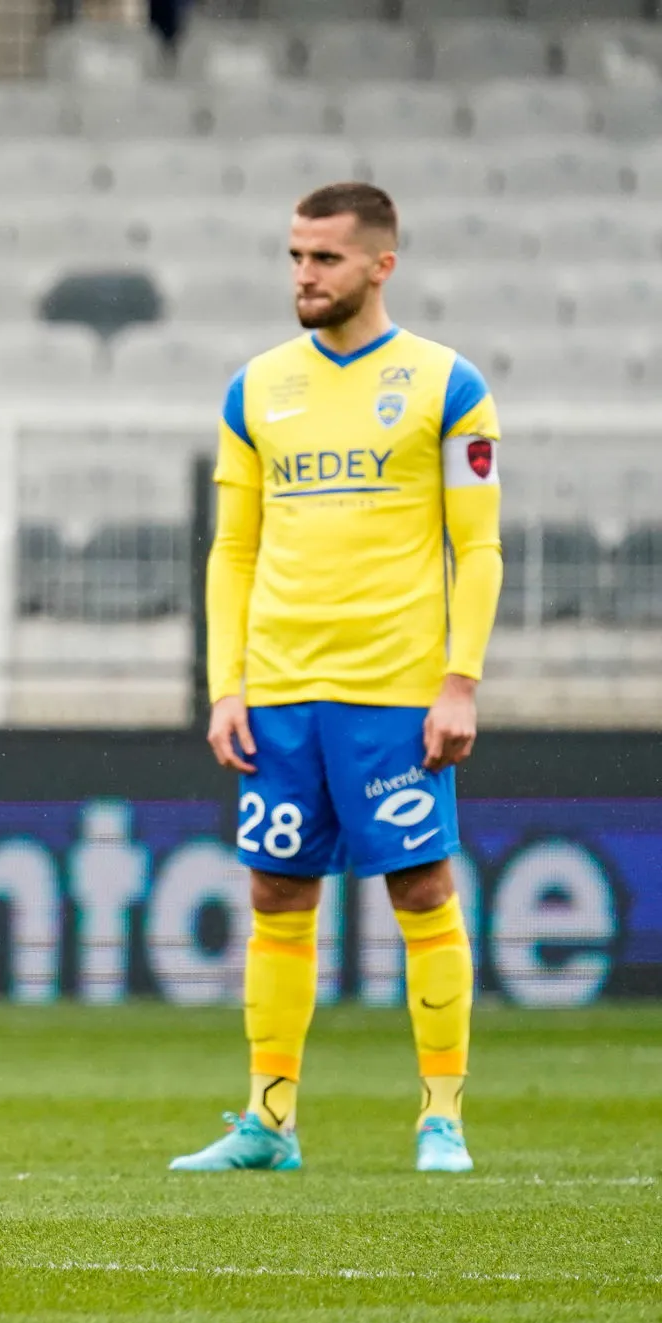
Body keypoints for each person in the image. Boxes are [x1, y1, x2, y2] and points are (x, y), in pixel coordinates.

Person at [171, 182, 501, 1175]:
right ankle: (267, 1120)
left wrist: (459, 680)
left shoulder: (446, 385)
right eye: (293, 257)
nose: (303, 276)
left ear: (378, 265)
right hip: (277, 690)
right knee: (275, 894)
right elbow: (231, 549)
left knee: (418, 887)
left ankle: (439, 1116)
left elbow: (475, 545)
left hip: (394, 691)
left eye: (322, 259)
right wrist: (224, 684)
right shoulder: (253, 389)